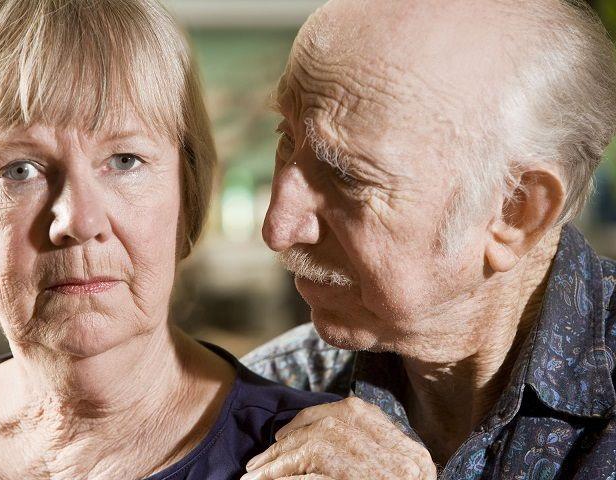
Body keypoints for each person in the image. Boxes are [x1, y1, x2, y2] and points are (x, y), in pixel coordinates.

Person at [0, 1, 337, 479]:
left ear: (187, 196)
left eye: (125, 160)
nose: (79, 221)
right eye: (19, 171)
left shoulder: (313, 458)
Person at [241, 0, 616, 479]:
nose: (278, 228)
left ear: (515, 210)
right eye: (286, 138)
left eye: (348, 176)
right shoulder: (270, 394)